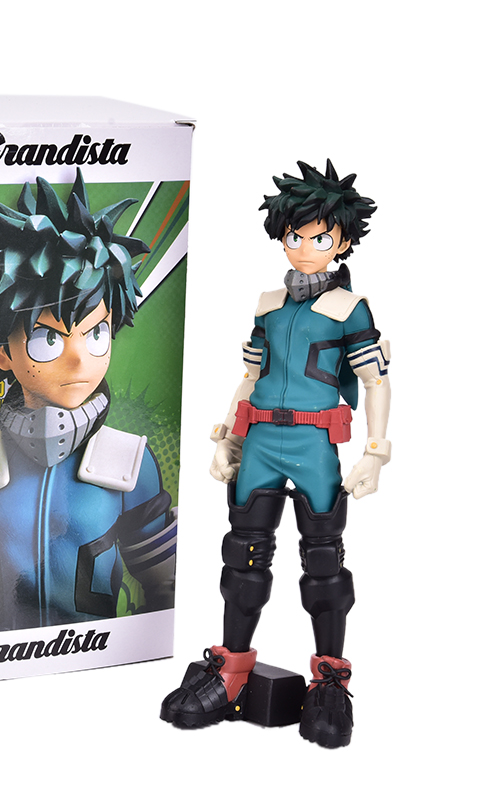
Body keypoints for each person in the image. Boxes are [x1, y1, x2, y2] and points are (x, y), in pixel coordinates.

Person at [161, 160, 390, 748]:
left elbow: (375, 382)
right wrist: (228, 438)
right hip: (261, 440)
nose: (304, 248)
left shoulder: (351, 309)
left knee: (324, 563)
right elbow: (250, 376)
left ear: (342, 242)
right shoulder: (268, 306)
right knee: (242, 558)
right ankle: (230, 671)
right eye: (294, 235)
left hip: (315, 443)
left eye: (319, 238)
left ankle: (330, 681)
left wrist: (374, 452)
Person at [0, 170, 177, 633]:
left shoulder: (130, 464)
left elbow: (164, 591)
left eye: (96, 333)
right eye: (48, 339)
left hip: (97, 659)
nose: (79, 360)